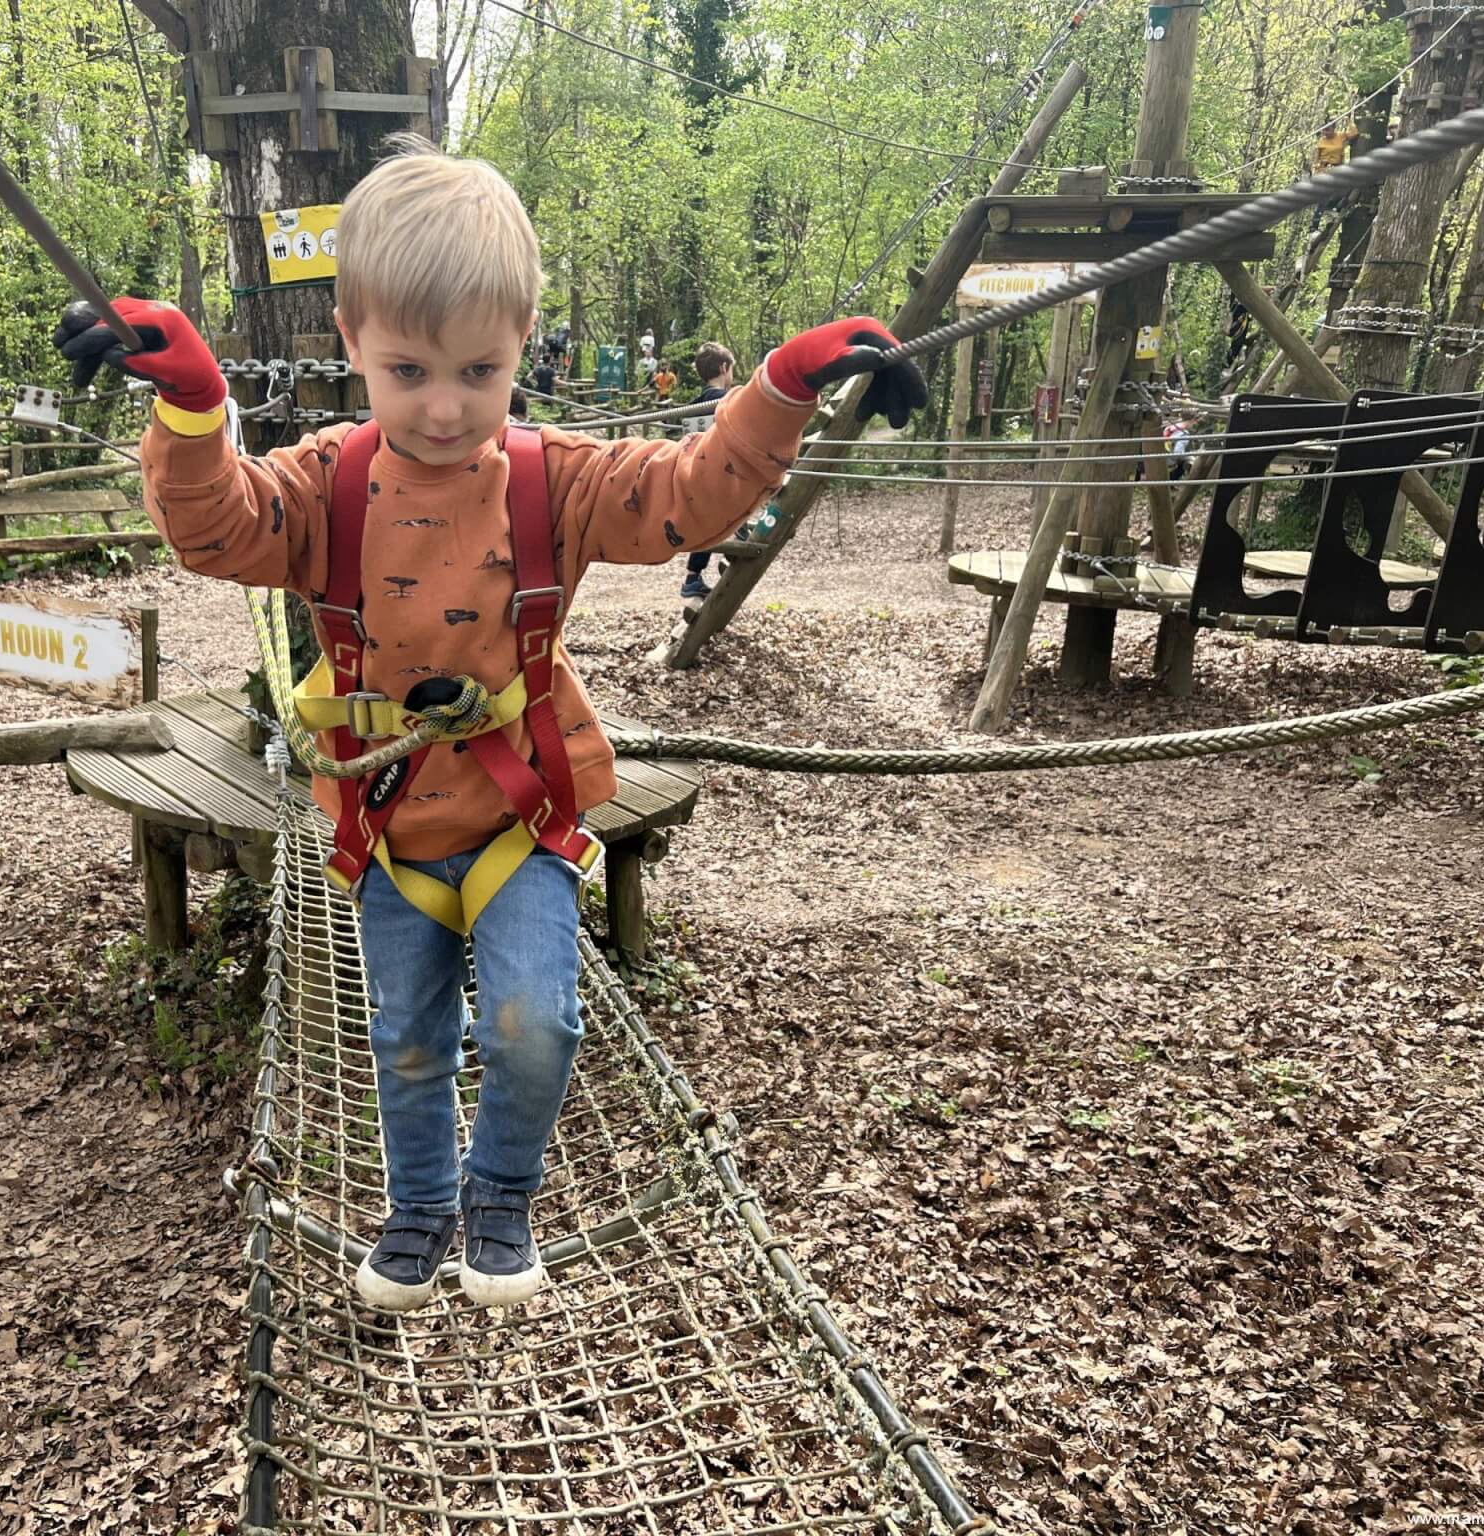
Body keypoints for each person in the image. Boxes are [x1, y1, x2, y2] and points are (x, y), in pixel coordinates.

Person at [55, 141, 925, 1314]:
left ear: (523, 346)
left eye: (481, 368)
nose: (446, 404)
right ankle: (419, 1206)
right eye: (407, 368)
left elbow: (686, 496)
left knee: (530, 1022)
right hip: (390, 823)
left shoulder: (550, 480)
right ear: (351, 339)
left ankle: (498, 1193)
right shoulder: (322, 487)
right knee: (407, 1037)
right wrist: (193, 408)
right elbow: (214, 531)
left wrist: (781, 386)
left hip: (524, 806)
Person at [679, 342, 737, 599]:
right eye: (731, 369)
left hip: (699, 472)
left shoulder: (698, 401)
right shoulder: (723, 399)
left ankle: (693, 576)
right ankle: (739, 539)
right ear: (724, 368)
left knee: (711, 522)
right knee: (721, 518)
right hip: (720, 472)